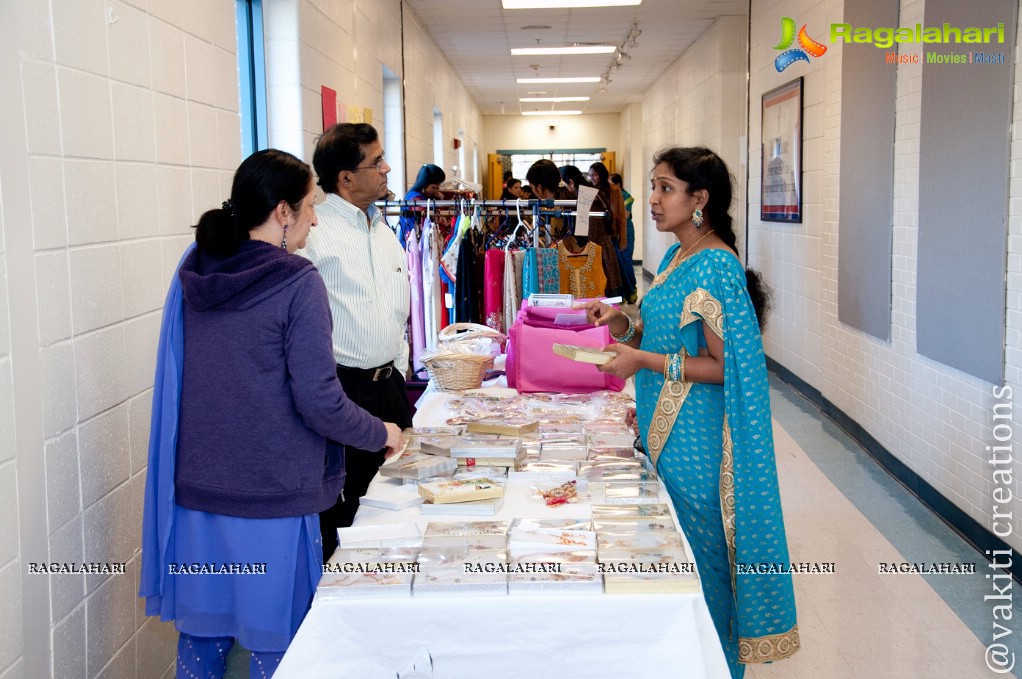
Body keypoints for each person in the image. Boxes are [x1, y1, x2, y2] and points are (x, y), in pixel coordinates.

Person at [139, 148, 404, 678]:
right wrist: (383, 433)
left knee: (203, 640)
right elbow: (320, 402)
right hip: (273, 496)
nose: (314, 219)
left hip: (199, 492)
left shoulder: (194, 270)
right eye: (309, 206)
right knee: (280, 647)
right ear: (282, 212)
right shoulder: (297, 281)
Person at [576, 147, 799, 678]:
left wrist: (642, 359)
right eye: (653, 186)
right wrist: (621, 323)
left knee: (705, 573)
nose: (652, 200)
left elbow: (727, 366)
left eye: (666, 188)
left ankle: (718, 667)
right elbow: (664, 334)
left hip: (699, 445)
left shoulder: (717, 265)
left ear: (700, 200)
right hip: (669, 436)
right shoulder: (680, 256)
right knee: (682, 569)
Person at [298, 123, 414, 559]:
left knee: (397, 502)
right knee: (348, 514)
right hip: (345, 391)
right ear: (345, 178)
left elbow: (397, 311)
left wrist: (399, 366)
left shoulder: (384, 232)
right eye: (376, 161)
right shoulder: (315, 236)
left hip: (390, 389)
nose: (387, 169)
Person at [559, 164, 625, 298]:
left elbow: (588, 229)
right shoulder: (590, 190)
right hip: (601, 246)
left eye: (564, 185)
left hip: (598, 249)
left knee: (602, 292)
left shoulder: (586, 195)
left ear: (571, 182)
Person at [399, 163, 446, 246]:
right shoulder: (415, 198)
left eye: (438, 188)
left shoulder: (421, 197)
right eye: (433, 187)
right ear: (423, 184)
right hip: (413, 242)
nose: (436, 191)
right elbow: (423, 219)